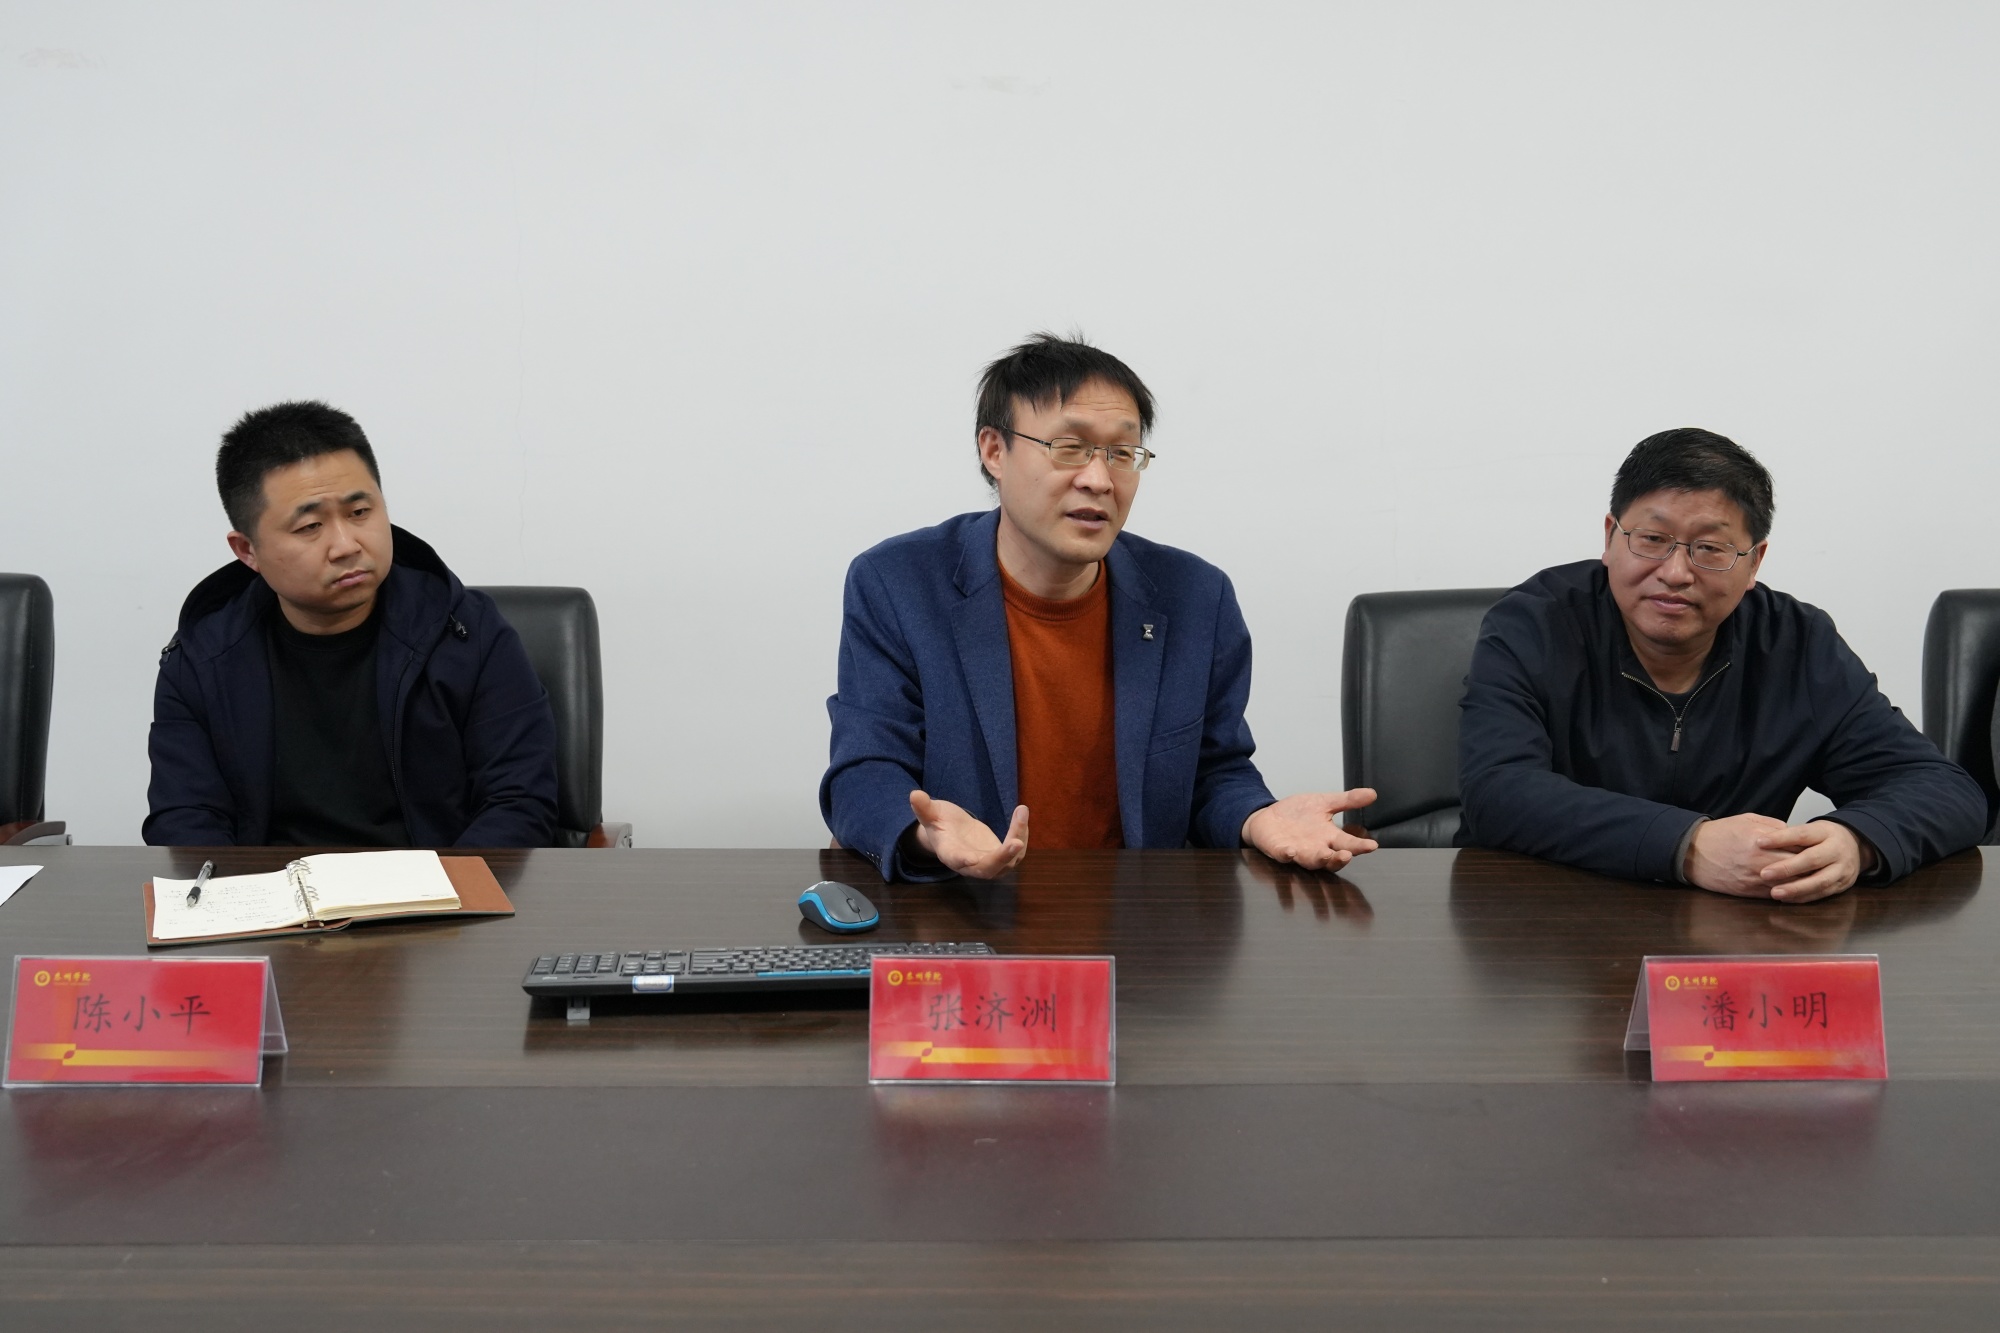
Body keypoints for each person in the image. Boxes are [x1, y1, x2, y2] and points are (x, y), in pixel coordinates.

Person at [820, 333, 1377, 881]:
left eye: (1122, 454)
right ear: (994, 451)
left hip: (1137, 920)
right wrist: (926, 836)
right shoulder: (898, 583)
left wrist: (1257, 817)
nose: (1099, 479)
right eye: (1070, 448)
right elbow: (864, 770)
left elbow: (1212, 772)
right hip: (963, 910)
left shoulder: (1195, 597)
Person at [1457, 427, 1985, 902]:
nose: (1676, 572)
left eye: (1710, 548)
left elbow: (1946, 790)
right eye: (1652, 540)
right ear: (1610, 537)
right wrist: (1688, 846)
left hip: (1735, 935)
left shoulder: (1796, 644)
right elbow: (1498, 792)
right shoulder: (1536, 622)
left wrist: (1857, 840)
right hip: (1547, 926)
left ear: (1754, 563)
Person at [144, 400, 558, 847]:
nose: (345, 545)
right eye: (310, 526)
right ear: (248, 551)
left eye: (360, 513)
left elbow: (518, 802)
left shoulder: (469, 634)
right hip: (272, 889)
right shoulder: (201, 659)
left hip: (438, 885)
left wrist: (445, 888)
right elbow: (185, 819)